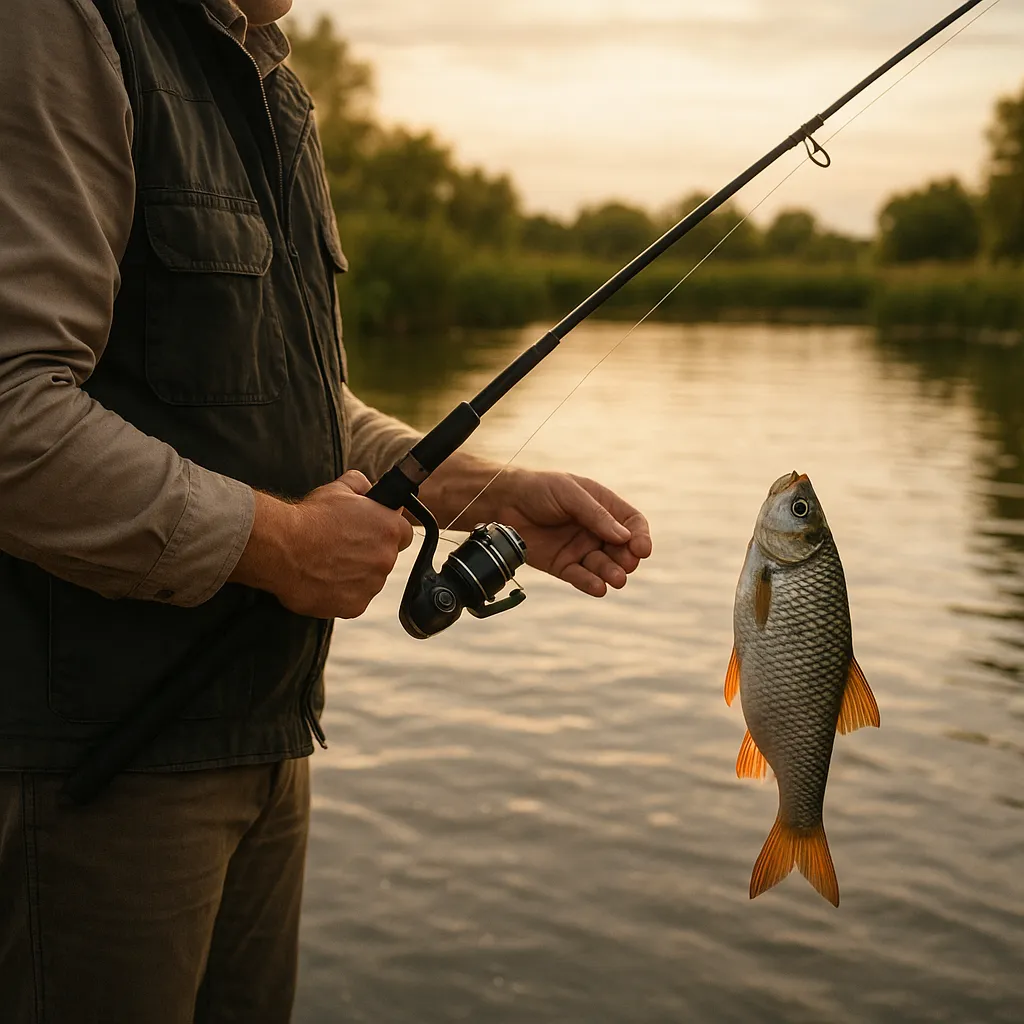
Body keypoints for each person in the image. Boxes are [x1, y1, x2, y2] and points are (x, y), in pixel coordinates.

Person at [0, 1, 652, 1020]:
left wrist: (479, 488)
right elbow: (11, 407)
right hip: (96, 764)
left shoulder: (274, 86)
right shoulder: (64, 25)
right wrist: (277, 542)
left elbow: (301, 400)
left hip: (266, 738)